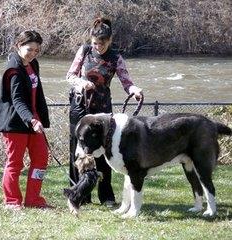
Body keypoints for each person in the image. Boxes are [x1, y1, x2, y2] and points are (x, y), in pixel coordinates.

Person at [67, 17, 143, 207]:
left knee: (104, 151)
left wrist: (134, 90)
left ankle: (106, 196)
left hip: (103, 111)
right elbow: (70, 75)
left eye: (102, 43)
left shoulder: (116, 57)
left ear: (110, 41)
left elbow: (127, 81)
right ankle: (79, 194)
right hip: (80, 106)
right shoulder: (84, 51)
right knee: (78, 150)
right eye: (95, 43)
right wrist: (81, 82)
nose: (98, 47)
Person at [0, 30, 50, 210]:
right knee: (15, 163)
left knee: (41, 158)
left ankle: (33, 200)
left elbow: (36, 93)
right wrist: (31, 120)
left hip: (34, 122)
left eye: (36, 50)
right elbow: (17, 100)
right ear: (19, 46)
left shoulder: (33, 64)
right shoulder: (13, 69)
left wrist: (39, 118)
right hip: (15, 123)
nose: (33, 53)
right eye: (29, 49)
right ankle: (12, 201)